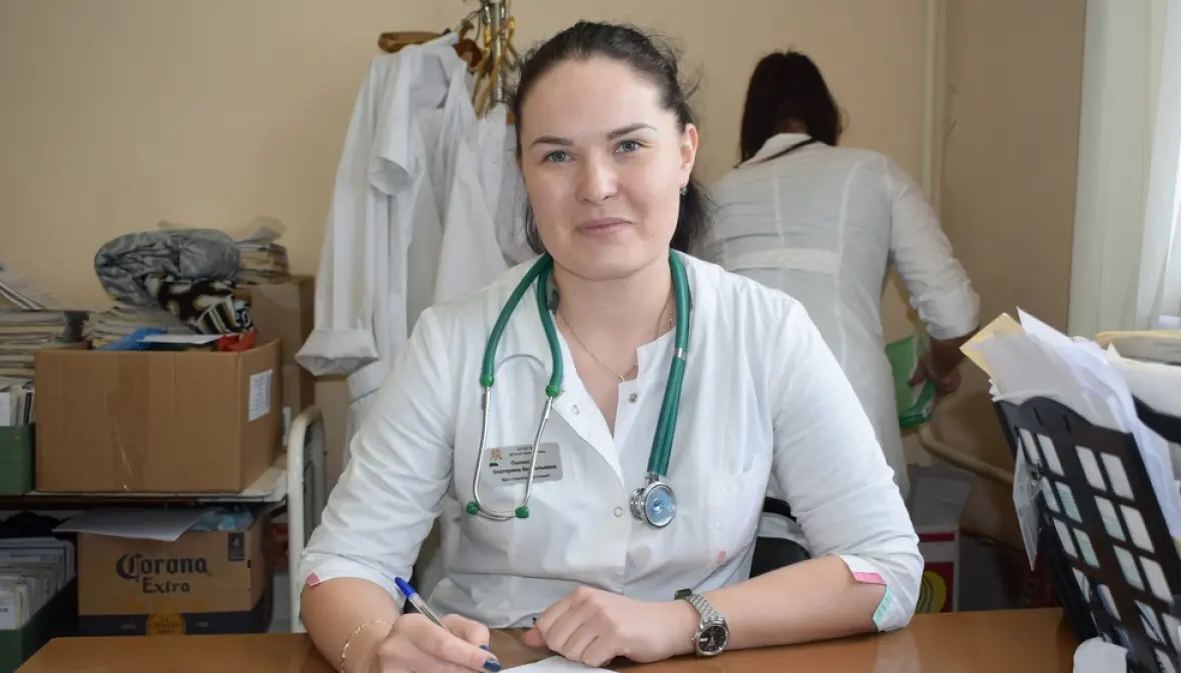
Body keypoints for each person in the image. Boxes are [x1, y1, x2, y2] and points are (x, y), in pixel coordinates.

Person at [300, 23, 923, 673]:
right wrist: (373, 649)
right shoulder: (453, 342)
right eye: (556, 155)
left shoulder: (767, 331)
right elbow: (343, 561)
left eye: (628, 145)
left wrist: (682, 621)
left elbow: (885, 564)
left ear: (684, 154)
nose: (595, 186)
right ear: (522, 171)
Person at [702, 50, 981, 535]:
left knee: (750, 576)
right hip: (849, 419)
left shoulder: (715, 197)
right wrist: (939, 369)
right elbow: (956, 317)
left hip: (735, 430)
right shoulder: (873, 173)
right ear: (827, 114)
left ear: (752, 122)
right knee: (861, 573)